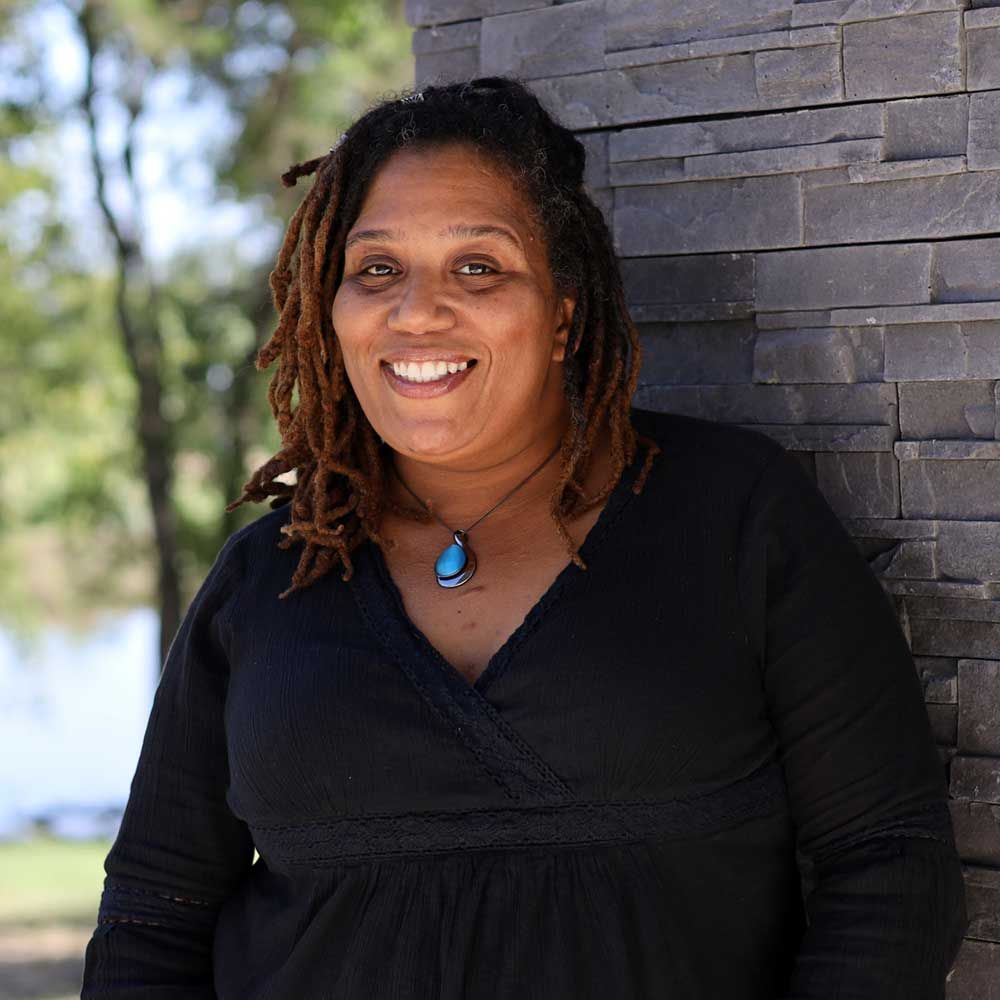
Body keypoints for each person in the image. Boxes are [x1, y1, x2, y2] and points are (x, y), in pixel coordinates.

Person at [81, 76, 968, 999]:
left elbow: (890, 866)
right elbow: (153, 914)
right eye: (376, 268)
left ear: (561, 316)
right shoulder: (271, 574)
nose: (416, 312)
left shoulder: (735, 516)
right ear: (330, 306)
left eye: (479, 268)